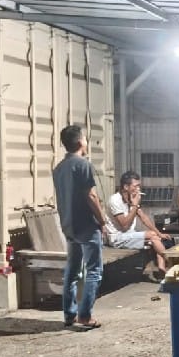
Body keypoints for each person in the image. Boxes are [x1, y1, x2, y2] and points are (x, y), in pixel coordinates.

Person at [52, 125, 105, 329]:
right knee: (94, 271)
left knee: (72, 271)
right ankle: (84, 316)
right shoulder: (83, 165)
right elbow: (90, 195)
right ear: (81, 141)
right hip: (86, 224)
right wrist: (102, 220)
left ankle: (69, 314)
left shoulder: (59, 168)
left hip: (68, 225)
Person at [105, 170, 173, 282]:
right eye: (135, 186)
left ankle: (162, 269)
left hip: (129, 235)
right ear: (126, 187)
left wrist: (159, 233)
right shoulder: (115, 200)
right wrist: (135, 205)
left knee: (156, 238)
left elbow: (144, 218)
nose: (138, 189)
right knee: (152, 235)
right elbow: (124, 225)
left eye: (139, 186)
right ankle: (171, 263)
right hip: (117, 238)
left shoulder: (130, 198)